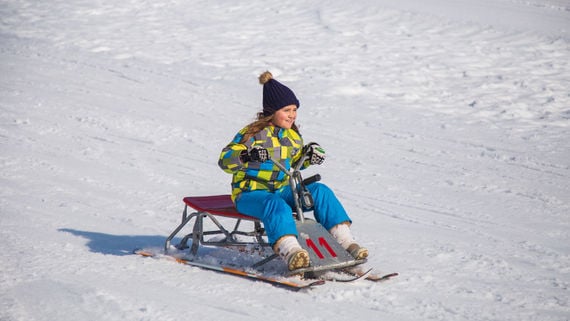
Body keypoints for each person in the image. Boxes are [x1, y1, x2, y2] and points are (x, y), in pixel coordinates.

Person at [218, 71, 368, 271]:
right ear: (272, 111)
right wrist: (247, 156)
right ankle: (291, 252)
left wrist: (309, 155)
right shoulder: (251, 134)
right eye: (287, 110)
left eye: (295, 109)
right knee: (276, 204)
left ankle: (346, 243)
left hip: (281, 189)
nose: (292, 115)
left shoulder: (293, 136)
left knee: (320, 191)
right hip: (250, 194)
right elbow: (225, 160)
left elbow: (295, 162)